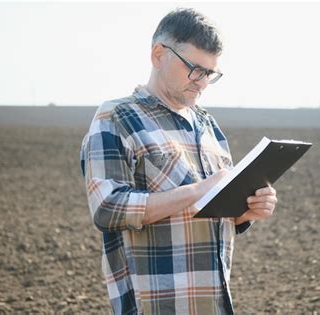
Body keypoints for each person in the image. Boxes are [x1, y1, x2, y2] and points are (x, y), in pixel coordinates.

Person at [80, 8, 278, 314]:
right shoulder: (117, 117)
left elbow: (217, 210)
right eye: (195, 69)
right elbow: (107, 208)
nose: (202, 82)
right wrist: (197, 190)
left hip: (215, 304)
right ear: (159, 55)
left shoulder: (208, 126)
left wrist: (248, 211)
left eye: (210, 73)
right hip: (156, 306)